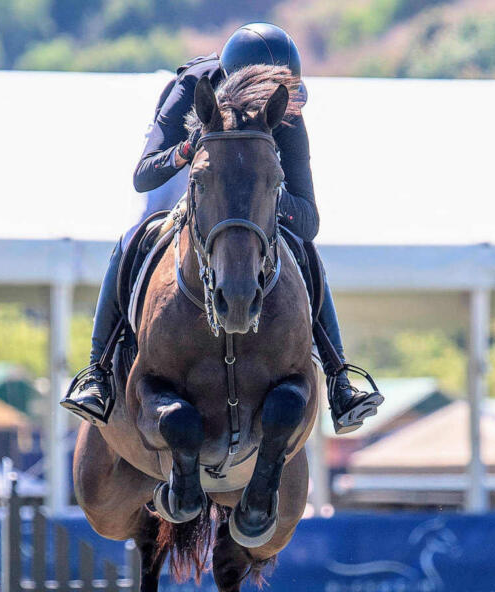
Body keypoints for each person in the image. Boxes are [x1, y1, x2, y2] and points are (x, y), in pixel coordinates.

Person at [61, 22, 383, 435]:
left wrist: (259, 193)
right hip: (187, 171)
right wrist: (188, 152)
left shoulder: (286, 111)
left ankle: (339, 377)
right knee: (133, 237)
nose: (264, 102)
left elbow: (309, 219)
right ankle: (99, 373)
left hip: (250, 188)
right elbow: (143, 175)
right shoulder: (192, 85)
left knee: (303, 248)